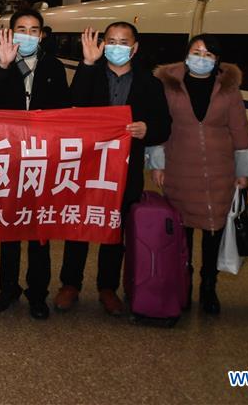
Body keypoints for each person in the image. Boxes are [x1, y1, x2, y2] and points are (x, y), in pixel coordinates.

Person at [54, 22, 171, 315]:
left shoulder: (150, 84)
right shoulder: (91, 74)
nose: (117, 47)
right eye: (111, 41)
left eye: (123, 42)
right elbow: (72, 105)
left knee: (114, 229)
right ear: (103, 44)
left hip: (125, 170)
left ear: (135, 47)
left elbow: (164, 126)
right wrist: (87, 63)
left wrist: (147, 129)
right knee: (79, 224)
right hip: (87, 165)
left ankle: (107, 287)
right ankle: (70, 284)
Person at [148, 34, 248, 315]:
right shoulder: (167, 84)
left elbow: (240, 129)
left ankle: (209, 286)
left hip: (219, 172)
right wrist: (157, 163)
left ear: (217, 60)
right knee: (181, 232)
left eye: (208, 55)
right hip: (179, 168)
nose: (202, 58)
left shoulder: (228, 89)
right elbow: (160, 124)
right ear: (186, 54)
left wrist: (243, 171)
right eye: (196, 52)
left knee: (213, 229)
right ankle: (183, 283)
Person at [0, 10, 70, 320]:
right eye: (21, 29)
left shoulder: (53, 66)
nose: (28, 35)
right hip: (8, 157)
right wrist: (3, 67)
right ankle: (8, 288)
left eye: (34, 30)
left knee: (39, 230)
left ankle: (37, 293)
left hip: (42, 157)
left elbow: (64, 111)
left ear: (42, 35)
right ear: (10, 32)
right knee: (9, 226)